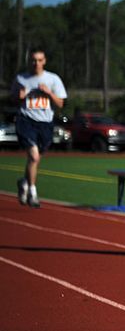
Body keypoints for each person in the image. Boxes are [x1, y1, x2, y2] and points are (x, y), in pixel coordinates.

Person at [12, 47, 67, 209]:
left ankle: (24, 182)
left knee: (34, 159)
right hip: (26, 121)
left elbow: (60, 104)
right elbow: (13, 99)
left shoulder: (53, 79)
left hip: (45, 123)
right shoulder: (21, 79)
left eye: (39, 60)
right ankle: (33, 193)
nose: (36, 63)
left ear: (44, 61)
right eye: (33, 60)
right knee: (34, 157)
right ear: (29, 61)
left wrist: (49, 93)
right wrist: (18, 97)